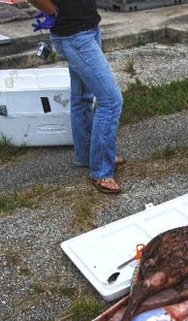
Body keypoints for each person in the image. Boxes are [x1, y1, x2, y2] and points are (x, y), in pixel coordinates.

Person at [29, 0, 124, 193]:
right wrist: (54, 12)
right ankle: (102, 170)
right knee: (111, 101)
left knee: (82, 97)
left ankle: (89, 156)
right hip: (74, 35)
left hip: (87, 28)